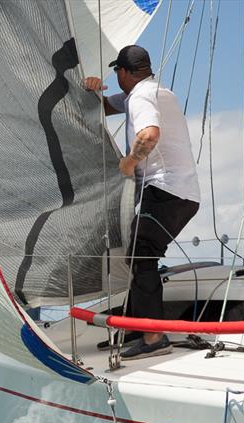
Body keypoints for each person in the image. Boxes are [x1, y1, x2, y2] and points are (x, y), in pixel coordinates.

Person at [84, 45, 200, 359]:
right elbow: (104, 107)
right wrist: (90, 89)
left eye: (115, 72)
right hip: (175, 192)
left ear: (124, 72)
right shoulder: (154, 90)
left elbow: (149, 135)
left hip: (169, 191)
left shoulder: (141, 97)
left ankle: (153, 337)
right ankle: (138, 327)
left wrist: (130, 162)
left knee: (141, 253)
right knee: (138, 251)